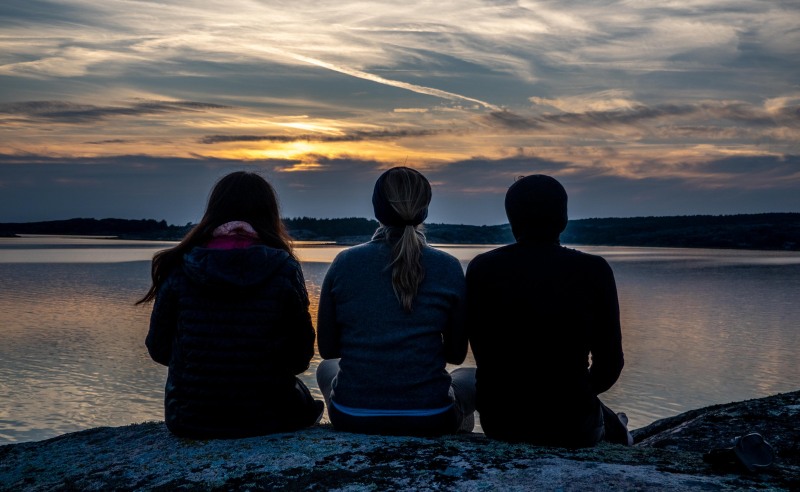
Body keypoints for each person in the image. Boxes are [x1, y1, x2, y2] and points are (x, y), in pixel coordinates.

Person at [137, 171, 323, 439]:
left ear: (214, 211)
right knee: (303, 397)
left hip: (190, 418)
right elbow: (300, 357)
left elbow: (158, 349)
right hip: (269, 417)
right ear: (269, 213)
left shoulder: (179, 266)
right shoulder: (284, 267)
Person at [465, 174, 633, 448]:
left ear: (511, 220)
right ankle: (620, 430)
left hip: (501, 422)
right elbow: (610, 365)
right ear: (564, 219)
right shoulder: (594, 270)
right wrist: (574, 394)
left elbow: (483, 354)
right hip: (571, 425)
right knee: (606, 421)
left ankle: (615, 424)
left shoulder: (482, 268)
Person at [315, 166, 476, 436]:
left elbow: (329, 349)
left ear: (377, 210)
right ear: (424, 211)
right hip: (431, 417)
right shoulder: (447, 267)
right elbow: (456, 355)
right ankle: (456, 437)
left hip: (352, 415)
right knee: (471, 377)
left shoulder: (345, 262)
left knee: (325, 368)